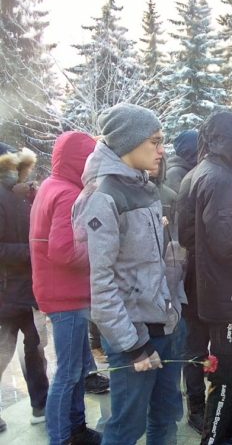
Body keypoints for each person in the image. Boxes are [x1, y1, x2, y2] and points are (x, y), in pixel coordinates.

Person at [72, 103, 181, 445]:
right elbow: (101, 285)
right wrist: (134, 346)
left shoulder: (144, 185)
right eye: (154, 141)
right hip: (133, 335)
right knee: (126, 427)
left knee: (166, 417)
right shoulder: (103, 196)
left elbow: (152, 262)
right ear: (128, 142)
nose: (162, 150)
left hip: (164, 325)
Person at [186, 111, 232, 445]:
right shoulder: (222, 179)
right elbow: (228, 244)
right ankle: (215, 438)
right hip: (225, 293)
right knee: (228, 373)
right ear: (228, 143)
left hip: (208, 287)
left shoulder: (199, 172)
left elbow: (189, 235)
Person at [29, 131, 102, 444]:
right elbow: (63, 251)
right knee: (69, 373)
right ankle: (61, 437)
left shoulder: (51, 185)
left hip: (59, 292)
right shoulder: (68, 194)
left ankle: (77, 429)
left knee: (76, 369)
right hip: (66, 297)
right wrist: (100, 250)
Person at [0, 144, 48, 432]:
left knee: (35, 349)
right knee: (3, 353)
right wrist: (31, 250)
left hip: (29, 289)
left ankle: (41, 405)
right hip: (5, 292)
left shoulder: (21, 194)